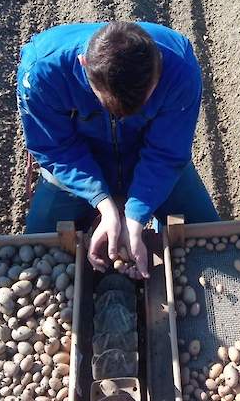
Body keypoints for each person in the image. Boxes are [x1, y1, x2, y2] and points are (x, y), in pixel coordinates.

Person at [17, 21, 218, 279]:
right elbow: (55, 148)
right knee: (35, 253)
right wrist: (104, 205)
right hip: (76, 164)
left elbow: (167, 153)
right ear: (84, 65)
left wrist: (134, 217)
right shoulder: (41, 72)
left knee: (211, 241)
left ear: (159, 66)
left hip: (151, 158)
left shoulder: (179, 67)